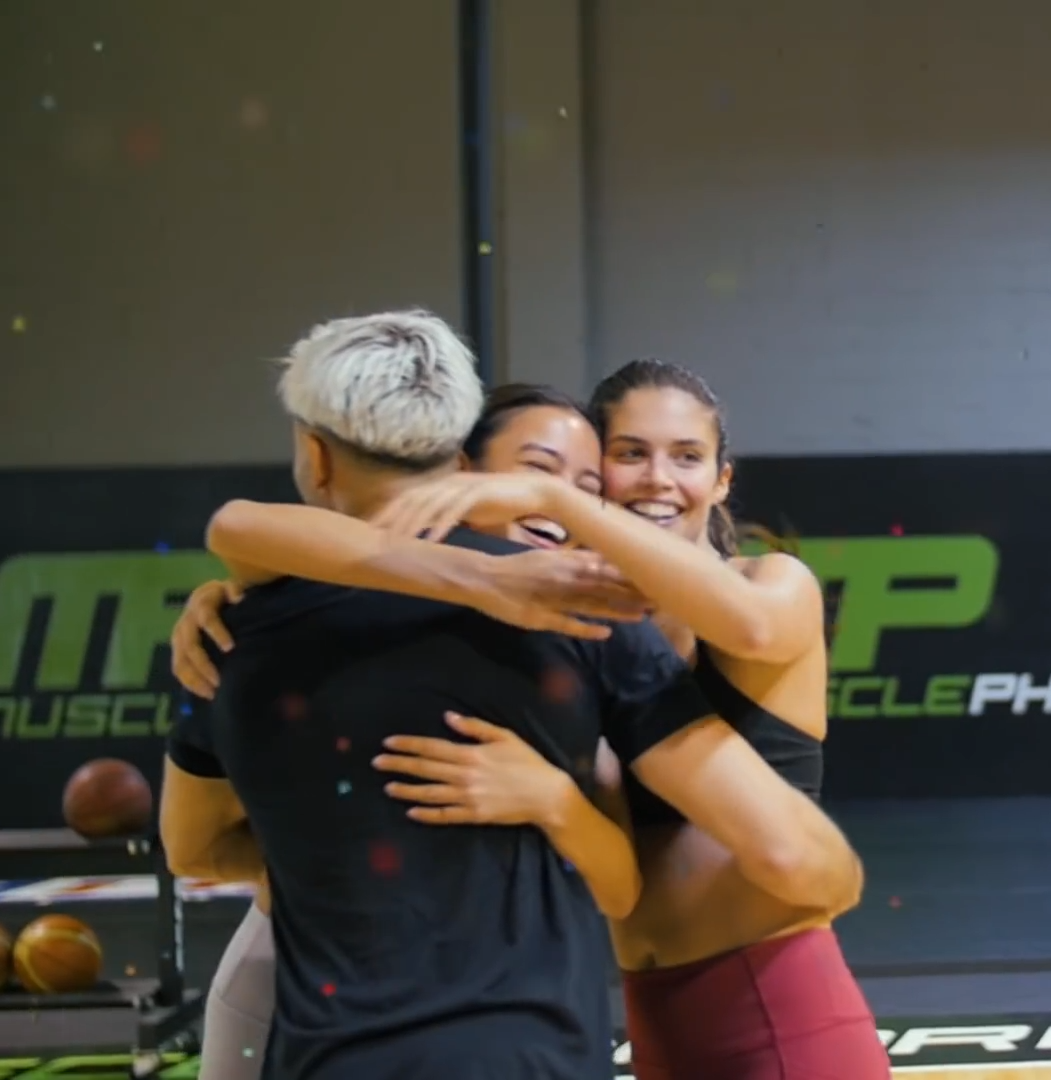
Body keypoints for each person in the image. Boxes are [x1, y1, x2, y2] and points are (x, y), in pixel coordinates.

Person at [175, 360, 887, 1078]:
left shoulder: (757, 587)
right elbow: (244, 526)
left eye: (686, 456)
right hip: (630, 1014)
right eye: (628, 455)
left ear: (722, 479)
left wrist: (551, 500)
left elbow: (754, 645)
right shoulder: (573, 634)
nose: (656, 480)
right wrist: (235, 594)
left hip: (773, 1000)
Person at [156, 312, 702, 1079]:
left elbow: (194, 846)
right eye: (535, 473)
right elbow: (242, 527)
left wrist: (553, 802)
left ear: (315, 454)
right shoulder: (582, 627)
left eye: (584, 490)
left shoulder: (241, 626)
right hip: (452, 1033)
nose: (553, 506)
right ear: (464, 464)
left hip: (346, 1041)